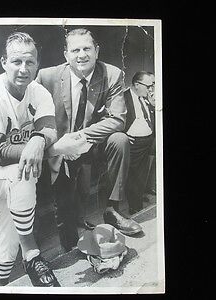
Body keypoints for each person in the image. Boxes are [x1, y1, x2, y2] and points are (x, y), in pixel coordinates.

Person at [0, 32, 83, 287]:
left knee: (9, 231)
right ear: (3, 62)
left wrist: (39, 140)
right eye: (16, 61)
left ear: (37, 64)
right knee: (22, 173)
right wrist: (53, 149)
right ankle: (32, 254)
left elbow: (50, 129)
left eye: (30, 62)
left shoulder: (38, 91)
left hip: (17, 173)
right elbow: (0, 153)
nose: (23, 69)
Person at [36, 28, 143, 251]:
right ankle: (68, 242)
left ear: (97, 50)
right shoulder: (47, 77)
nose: (82, 55)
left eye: (87, 48)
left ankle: (112, 209)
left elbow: (117, 120)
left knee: (119, 139)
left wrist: (80, 138)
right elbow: (31, 115)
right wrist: (58, 145)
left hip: (90, 143)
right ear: (66, 55)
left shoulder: (111, 74)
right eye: (75, 50)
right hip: (59, 149)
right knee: (67, 206)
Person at [123, 71, 156, 213]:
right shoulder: (123, 97)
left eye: (152, 86)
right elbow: (111, 118)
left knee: (143, 173)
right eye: (148, 86)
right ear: (137, 85)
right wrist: (121, 133)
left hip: (148, 140)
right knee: (134, 175)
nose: (151, 89)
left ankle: (139, 198)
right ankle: (135, 208)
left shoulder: (146, 97)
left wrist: (154, 104)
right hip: (134, 143)